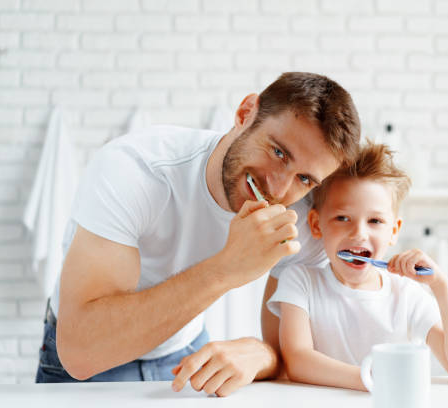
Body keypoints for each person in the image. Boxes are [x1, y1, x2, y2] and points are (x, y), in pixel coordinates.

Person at [35, 72, 361, 397]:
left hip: (186, 355)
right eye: (278, 152)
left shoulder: (305, 219)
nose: (278, 188)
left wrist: (261, 354)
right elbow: (81, 351)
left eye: (304, 178)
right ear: (246, 113)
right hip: (89, 362)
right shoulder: (136, 170)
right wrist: (227, 268)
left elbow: (295, 354)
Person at [267, 142, 448, 391]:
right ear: (316, 225)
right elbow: (297, 361)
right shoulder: (300, 281)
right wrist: (372, 378)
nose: (359, 233)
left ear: (393, 231)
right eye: (342, 218)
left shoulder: (407, 296)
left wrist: (441, 286)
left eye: (375, 221)